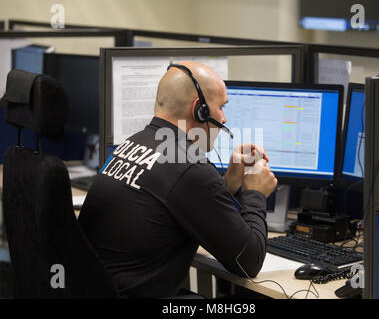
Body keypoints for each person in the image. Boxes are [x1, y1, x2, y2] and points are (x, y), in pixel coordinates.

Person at [78, 61, 278, 298]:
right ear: (199, 110)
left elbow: (185, 202)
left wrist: (229, 183)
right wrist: (255, 193)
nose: (224, 119)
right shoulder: (189, 167)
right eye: (221, 107)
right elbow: (248, 262)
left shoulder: (134, 143)